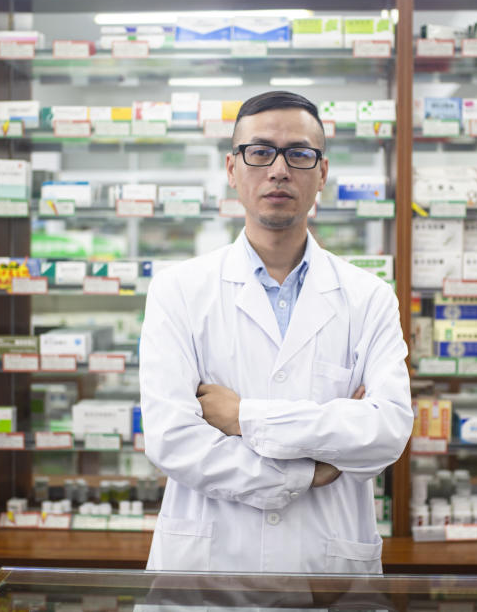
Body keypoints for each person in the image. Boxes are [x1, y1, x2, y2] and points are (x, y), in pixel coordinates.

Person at [139, 91, 413, 574]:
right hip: (209, 569)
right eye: (260, 151)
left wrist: (242, 416)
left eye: (299, 154)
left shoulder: (369, 297)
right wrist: (310, 470)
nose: (279, 169)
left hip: (326, 567)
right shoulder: (177, 291)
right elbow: (172, 440)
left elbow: (386, 431)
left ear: (322, 172)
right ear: (232, 168)